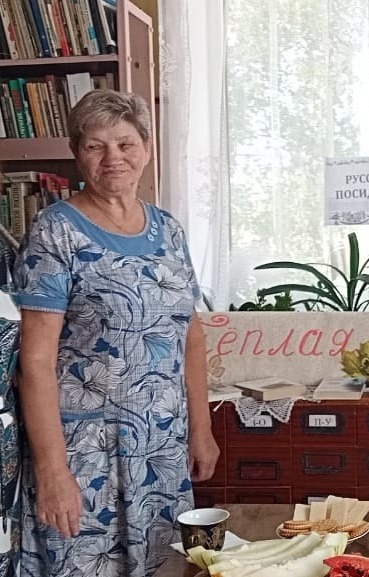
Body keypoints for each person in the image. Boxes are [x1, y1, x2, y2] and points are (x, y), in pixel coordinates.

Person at [13, 89, 219, 577]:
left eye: (125, 144)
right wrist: (51, 469)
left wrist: (201, 427)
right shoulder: (54, 231)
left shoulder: (168, 229)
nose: (113, 158)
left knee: (165, 567)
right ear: (77, 153)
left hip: (161, 446)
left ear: (146, 148)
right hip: (85, 451)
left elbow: (189, 334)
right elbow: (34, 362)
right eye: (95, 146)